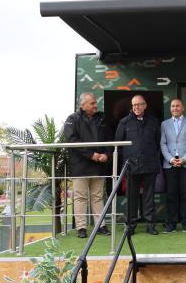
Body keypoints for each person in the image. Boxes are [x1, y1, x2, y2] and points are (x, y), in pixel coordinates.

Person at [64, 92, 111, 238]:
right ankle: (81, 228)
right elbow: (71, 141)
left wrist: (107, 155)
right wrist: (91, 155)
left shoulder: (102, 118)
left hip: (99, 165)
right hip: (80, 165)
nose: (95, 105)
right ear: (82, 105)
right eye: (92, 103)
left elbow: (110, 138)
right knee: (80, 197)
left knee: (98, 196)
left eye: (95, 102)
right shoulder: (72, 118)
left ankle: (100, 226)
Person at [115, 94, 161, 235]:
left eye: (139, 104)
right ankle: (131, 225)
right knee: (131, 197)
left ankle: (151, 225)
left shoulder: (153, 122)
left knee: (149, 196)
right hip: (131, 166)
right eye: (134, 105)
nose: (136, 107)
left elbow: (157, 143)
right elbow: (118, 144)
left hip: (149, 164)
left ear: (145, 105)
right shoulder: (124, 122)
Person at [160, 98, 186, 234]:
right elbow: (162, 143)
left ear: (183, 108)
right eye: (172, 106)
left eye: (177, 106)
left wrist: (185, 159)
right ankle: (171, 224)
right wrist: (170, 159)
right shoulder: (164, 124)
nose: (175, 108)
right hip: (170, 164)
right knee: (171, 195)